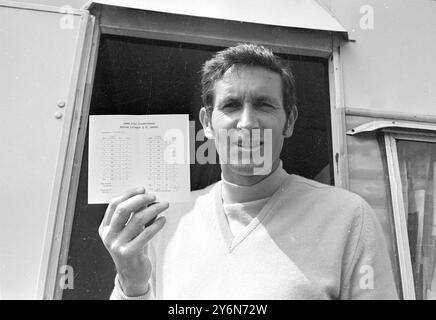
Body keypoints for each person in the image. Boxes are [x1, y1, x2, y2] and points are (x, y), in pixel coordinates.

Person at [100, 43, 398, 299]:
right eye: (231, 105)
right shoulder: (164, 224)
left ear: (289, 121)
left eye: (263, 105)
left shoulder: (348, 217)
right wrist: (131, 283)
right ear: (207, 123)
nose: (247, 123)